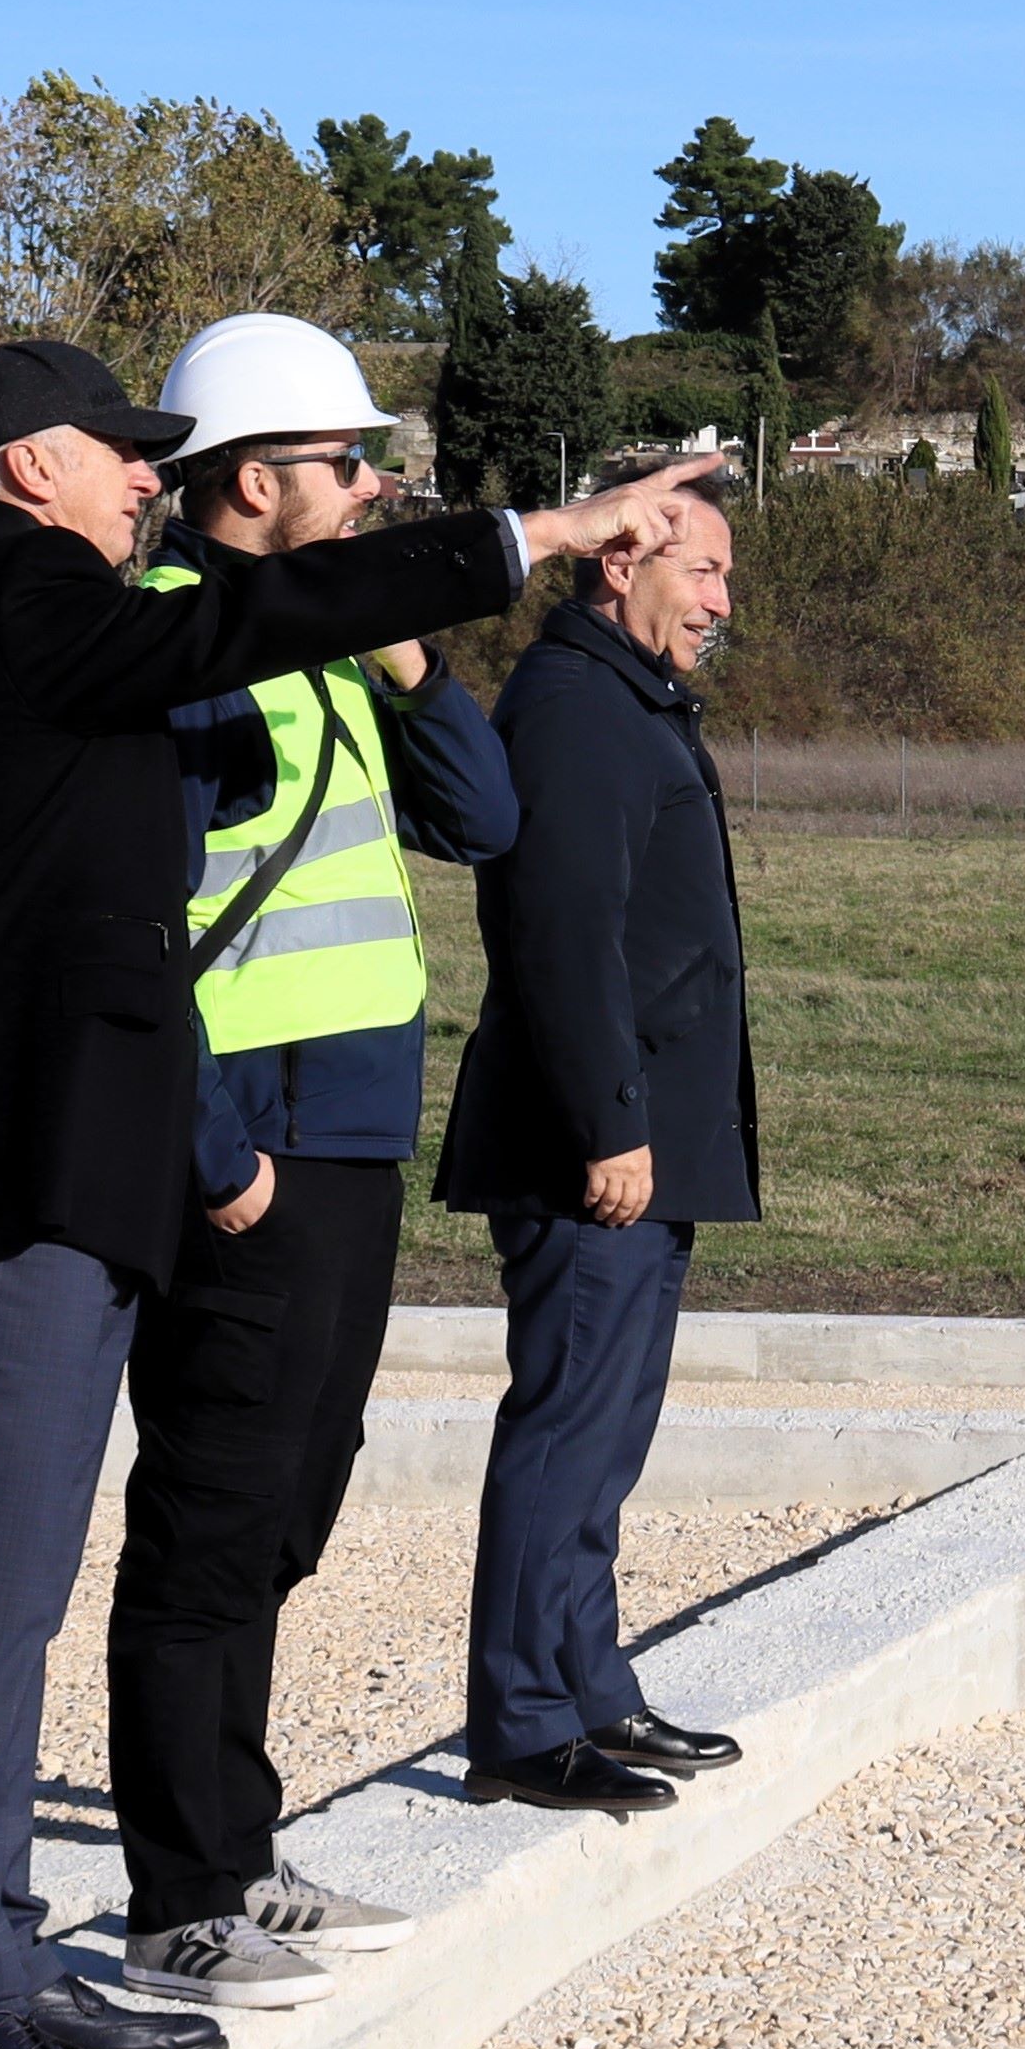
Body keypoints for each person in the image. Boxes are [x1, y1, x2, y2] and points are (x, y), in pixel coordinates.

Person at [0, 335, 691, 2049]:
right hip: (27, 1184)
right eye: (121, 454)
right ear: (32, 466)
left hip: (57, 1163)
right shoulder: (6, 606)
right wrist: (545, 530)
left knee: (34, 1575)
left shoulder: (35, 618)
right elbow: (212, 645)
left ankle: (4, 1964)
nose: (143, 478)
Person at [102, 314, 517, 2017]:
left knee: (288, 1499)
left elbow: (480, 816)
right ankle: (177, 1894)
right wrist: (212, 1157)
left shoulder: (346, 646)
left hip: (348, 1131)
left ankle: (242, 1854)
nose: (369, 488)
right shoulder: (163, 651)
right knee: (209, 1509)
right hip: (247, 1144)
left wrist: (413, 651)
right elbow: (126, 924)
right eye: (345, 464)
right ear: (256, 481)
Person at [437, 479, 756, 1815]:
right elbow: (559, 938)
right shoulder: (574, 711)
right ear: (618, 561)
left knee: (607, 1434)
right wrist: (607, 1126)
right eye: (702, 574)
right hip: (596, 1148)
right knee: (567, 1427)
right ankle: (520, 1723)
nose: (720, 603)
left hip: (646, 1134)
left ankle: (590, 1689)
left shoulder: (626, 701)